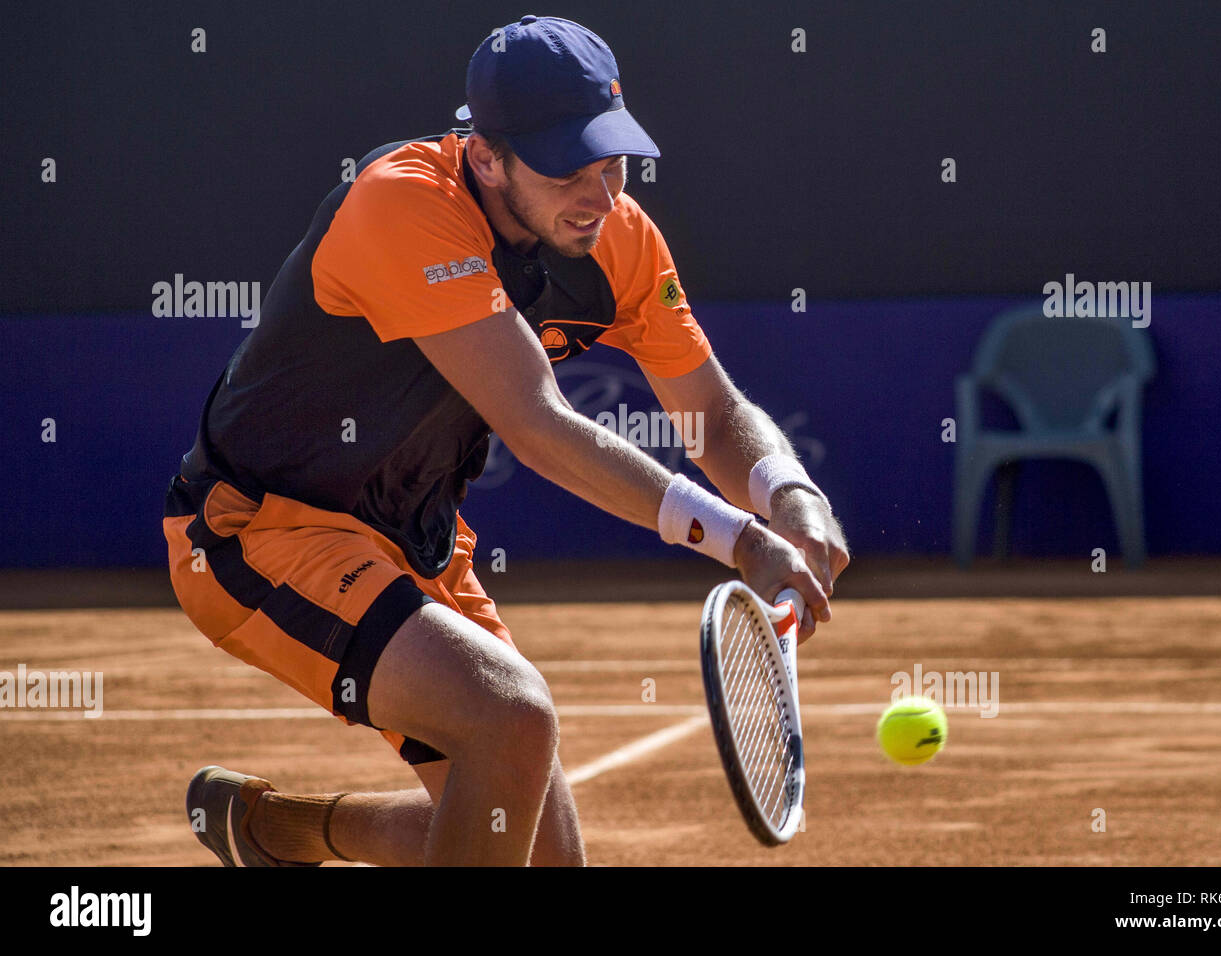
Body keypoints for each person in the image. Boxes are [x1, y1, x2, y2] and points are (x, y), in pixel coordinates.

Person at [167, 15, 849, 867]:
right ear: (486, 157)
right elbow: (536, 423)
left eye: (615, 163)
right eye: (571, 169)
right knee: (510, 713)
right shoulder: (402, 203)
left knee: (532, 849)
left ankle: (279, 830)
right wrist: (741, 539)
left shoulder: (620, 238)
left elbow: (711, 414)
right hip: (261, 532)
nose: (601, 196)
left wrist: (791, 494)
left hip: (417, 541)